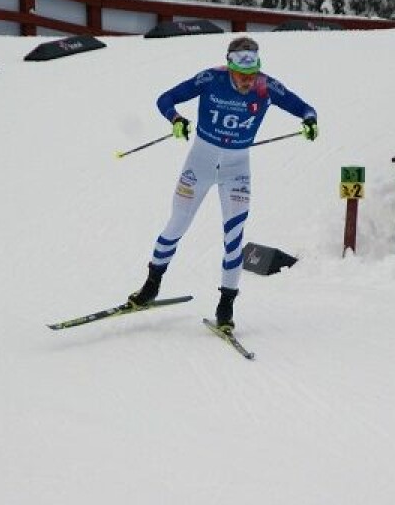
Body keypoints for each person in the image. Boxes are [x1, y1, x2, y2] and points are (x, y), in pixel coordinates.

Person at [126, 36, 318, 332]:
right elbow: (165, 99)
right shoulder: (211, 78)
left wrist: (310, 121)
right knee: (177, 223)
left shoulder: (266, 86)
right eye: (241, 75)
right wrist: (176, 119)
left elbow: (305, 108)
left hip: (236, 170)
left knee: (234, 236)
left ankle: (226, 306)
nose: (247, 81)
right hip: (199, 164)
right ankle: (151, 285)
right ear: (230, 68)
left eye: (252, 74)